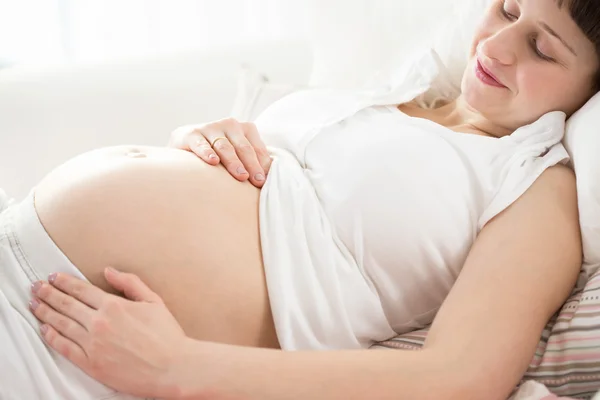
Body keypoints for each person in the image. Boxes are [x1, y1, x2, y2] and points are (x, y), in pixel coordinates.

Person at [0, 0, 597, 398]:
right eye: (508, 9)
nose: (498, 45)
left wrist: (174, 366)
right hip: (19, 251)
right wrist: (199, 144)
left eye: (543, 49)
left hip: (74, 356)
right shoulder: (402, 93)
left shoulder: (537, 186)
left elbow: (462, 376)